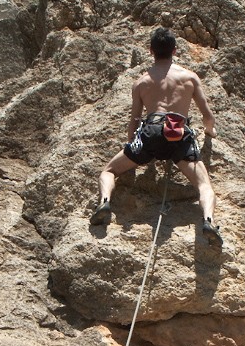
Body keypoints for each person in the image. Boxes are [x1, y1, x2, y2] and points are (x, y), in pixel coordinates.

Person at [90, 27, 222, 244]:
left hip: (150, 133)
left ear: (151, 51)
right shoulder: (189, 77)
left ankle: (105, 201)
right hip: (178, 134)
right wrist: (210, 132)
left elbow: (134, 120)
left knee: (109, 171)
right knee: (203, 185)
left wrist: (132, 144)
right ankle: (208, 220)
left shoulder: (141, 82)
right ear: (175, 50)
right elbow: (207, 116)